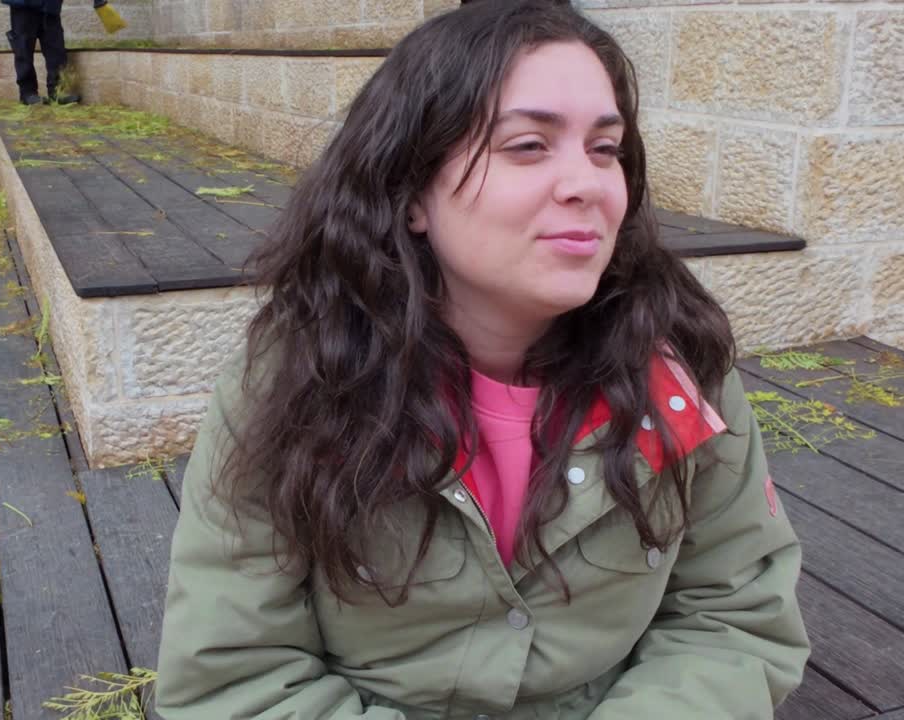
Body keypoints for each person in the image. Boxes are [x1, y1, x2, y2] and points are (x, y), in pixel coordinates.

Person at [155, 1, 810, 718]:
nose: (586, 184)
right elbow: (235, 677)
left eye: (605, 148)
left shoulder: (678, 372)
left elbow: (735, 618)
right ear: (412, 194)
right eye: (528, 146)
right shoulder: (295, 381)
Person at [1, 0, 80, 105]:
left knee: (57, 50)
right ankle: (28, 93)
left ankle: (57, 92)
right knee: (24, 50)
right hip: (23, 6)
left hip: (50, 6)